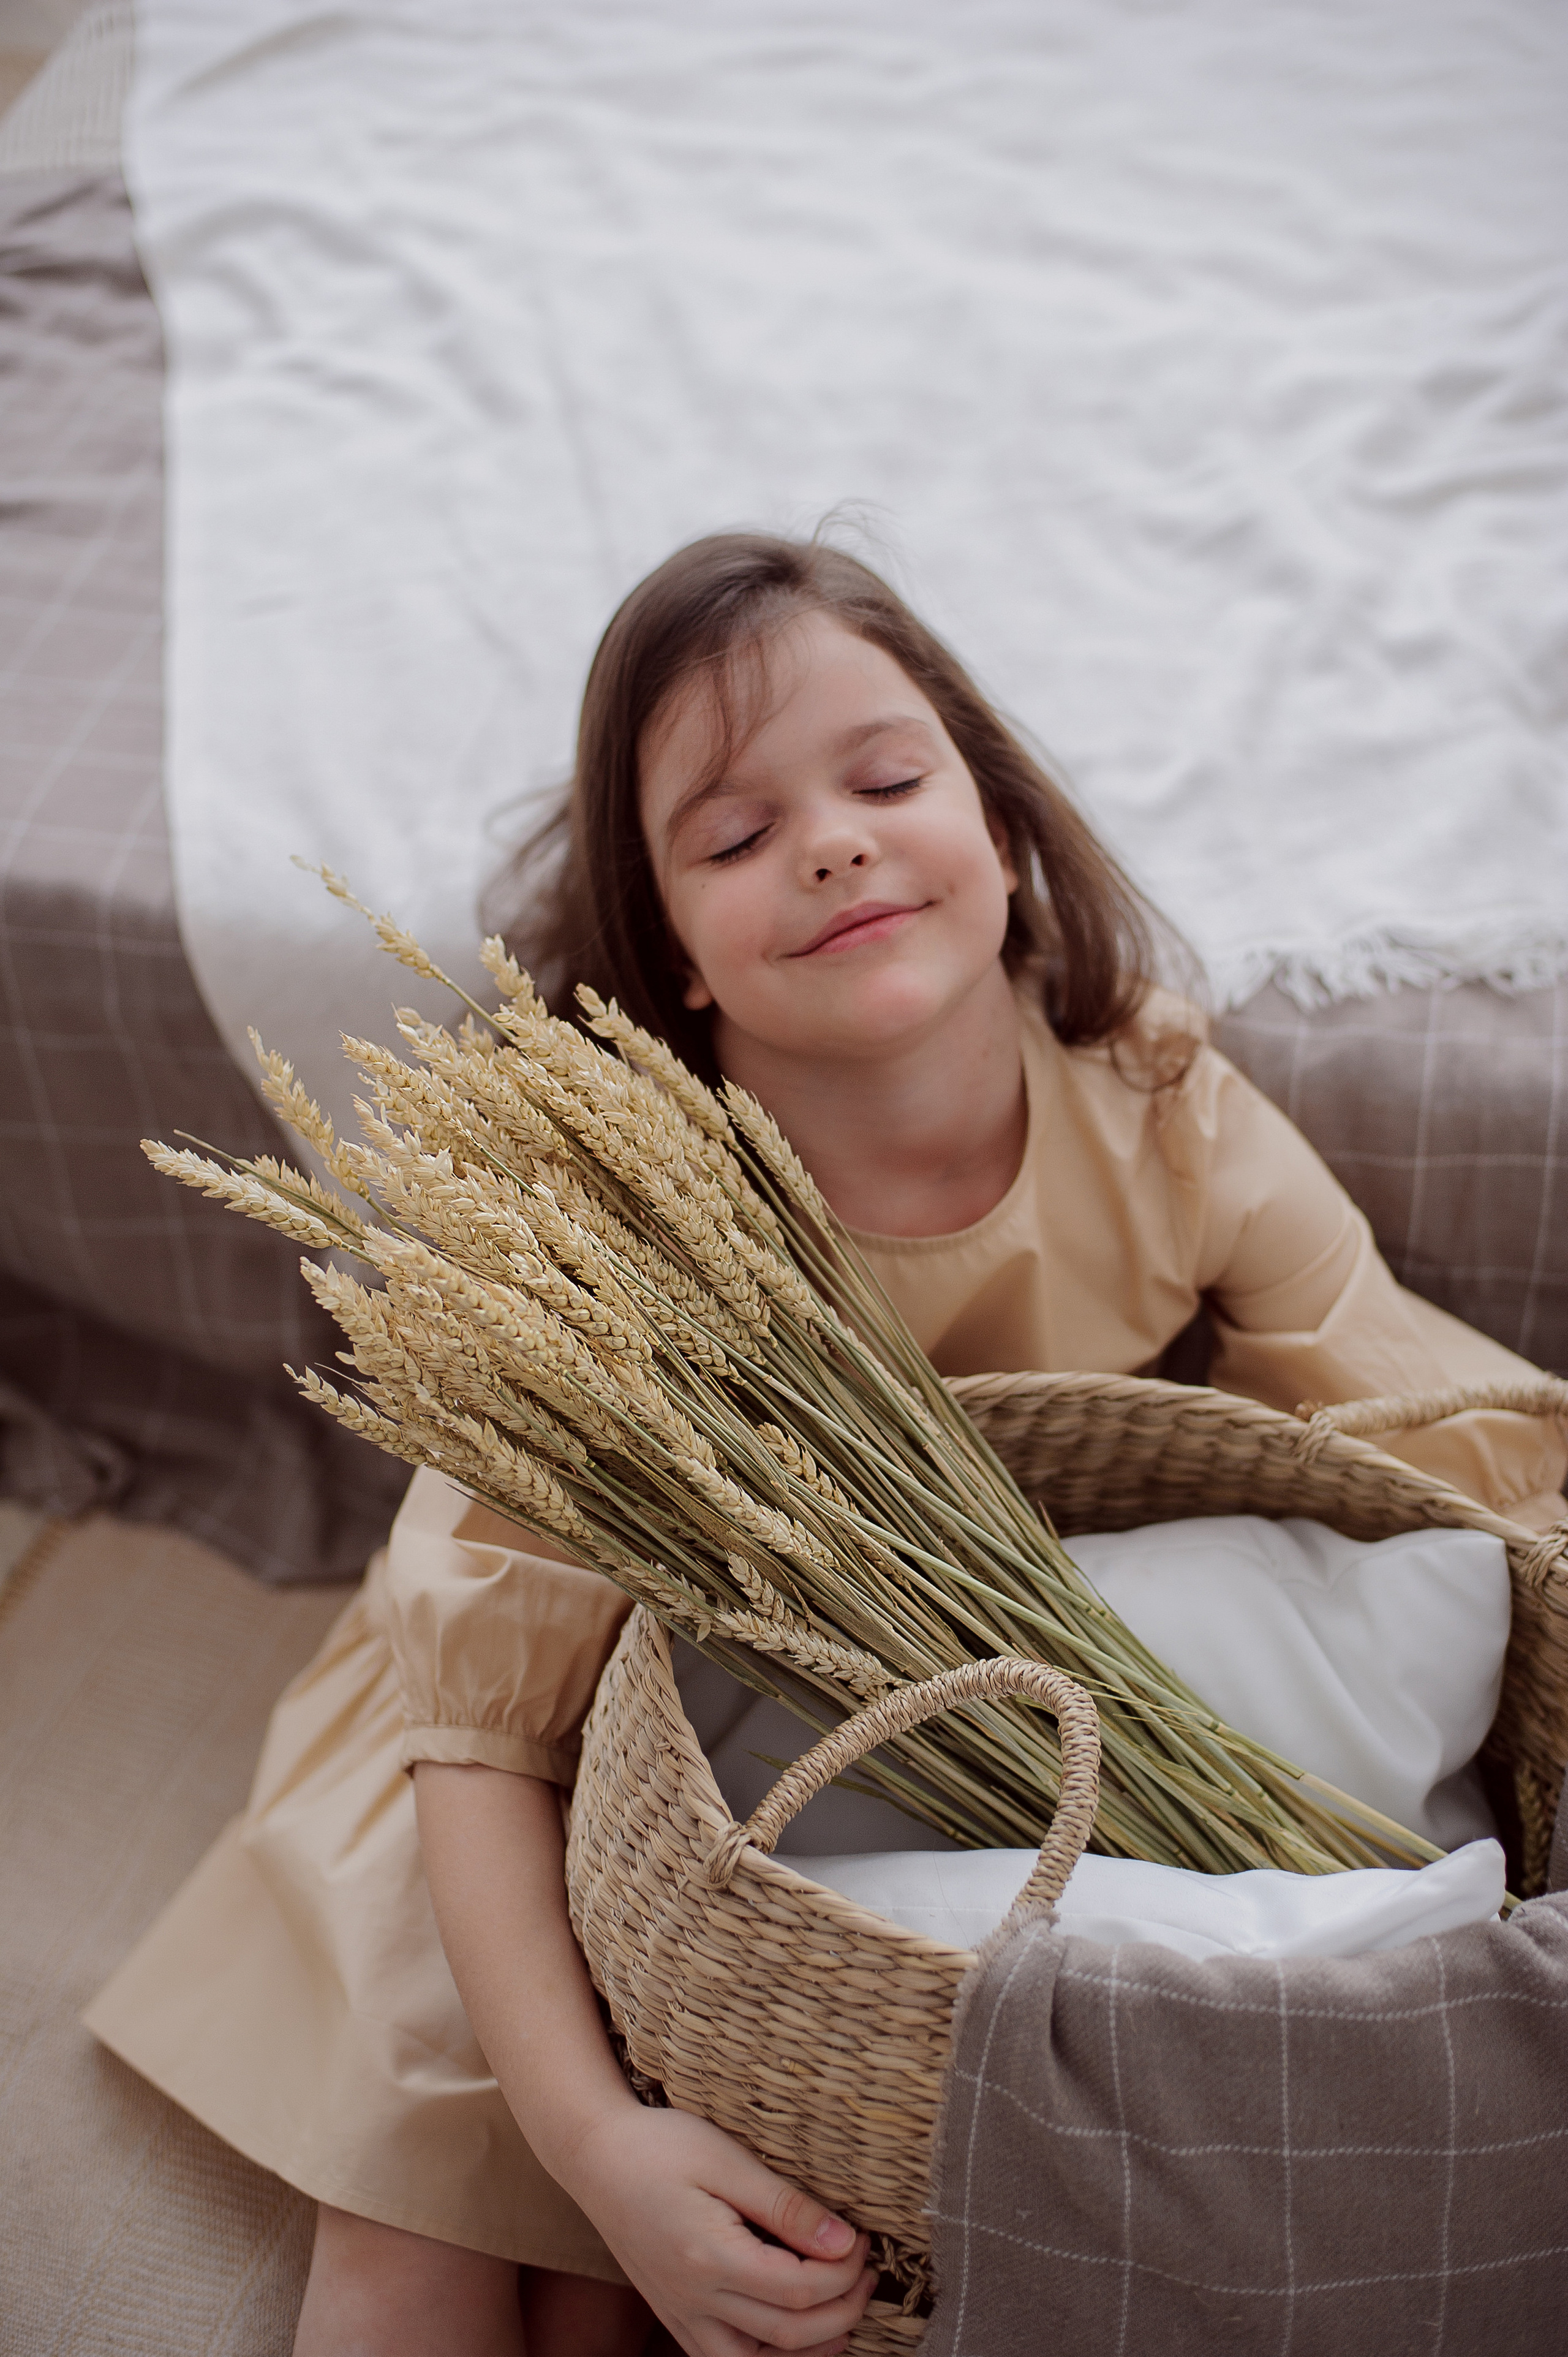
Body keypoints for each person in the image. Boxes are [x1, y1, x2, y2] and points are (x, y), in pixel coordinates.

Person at [87, 534, 1567, 2357]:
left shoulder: (1156, 1097)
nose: (836, 842)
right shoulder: (623, 1223)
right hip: (533, 1746)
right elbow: (479, 1719)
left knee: (788, 2265)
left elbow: (1421, 1416)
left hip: (896, 1734)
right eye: (732, 836)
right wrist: (594, 2135)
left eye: (886, 779)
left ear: (1006, 836)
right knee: (456, 2241)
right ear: (675, 966)